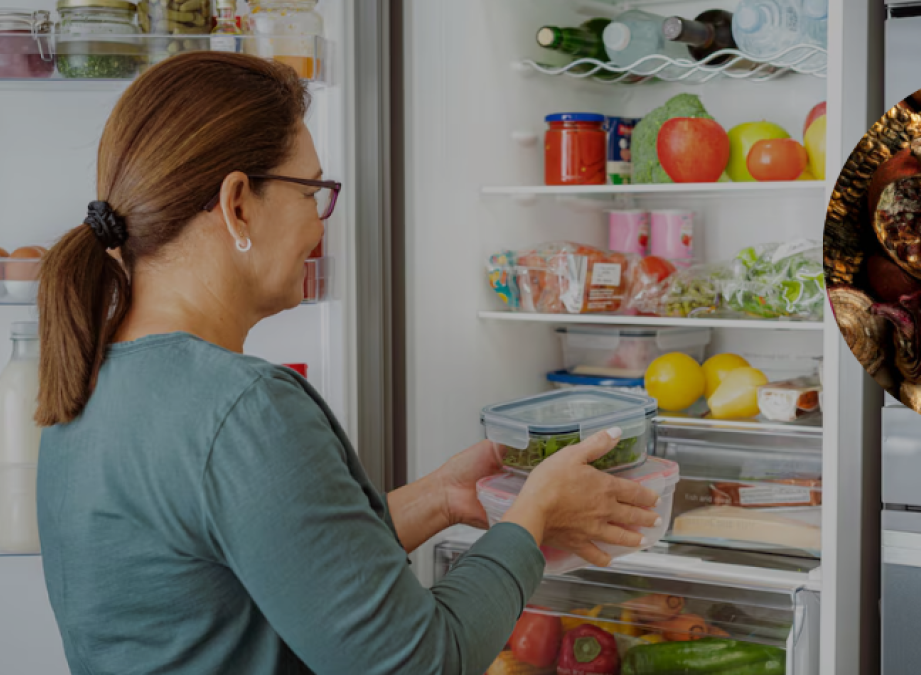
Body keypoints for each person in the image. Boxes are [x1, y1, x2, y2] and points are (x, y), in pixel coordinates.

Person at [33, 52, 660, 675]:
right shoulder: (243, 409)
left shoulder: (90, 378)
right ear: (238, 204)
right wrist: (533, 516)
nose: (319, 224)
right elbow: (419, 661)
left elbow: (282, 572)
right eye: (311, 191)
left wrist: (441, 499)